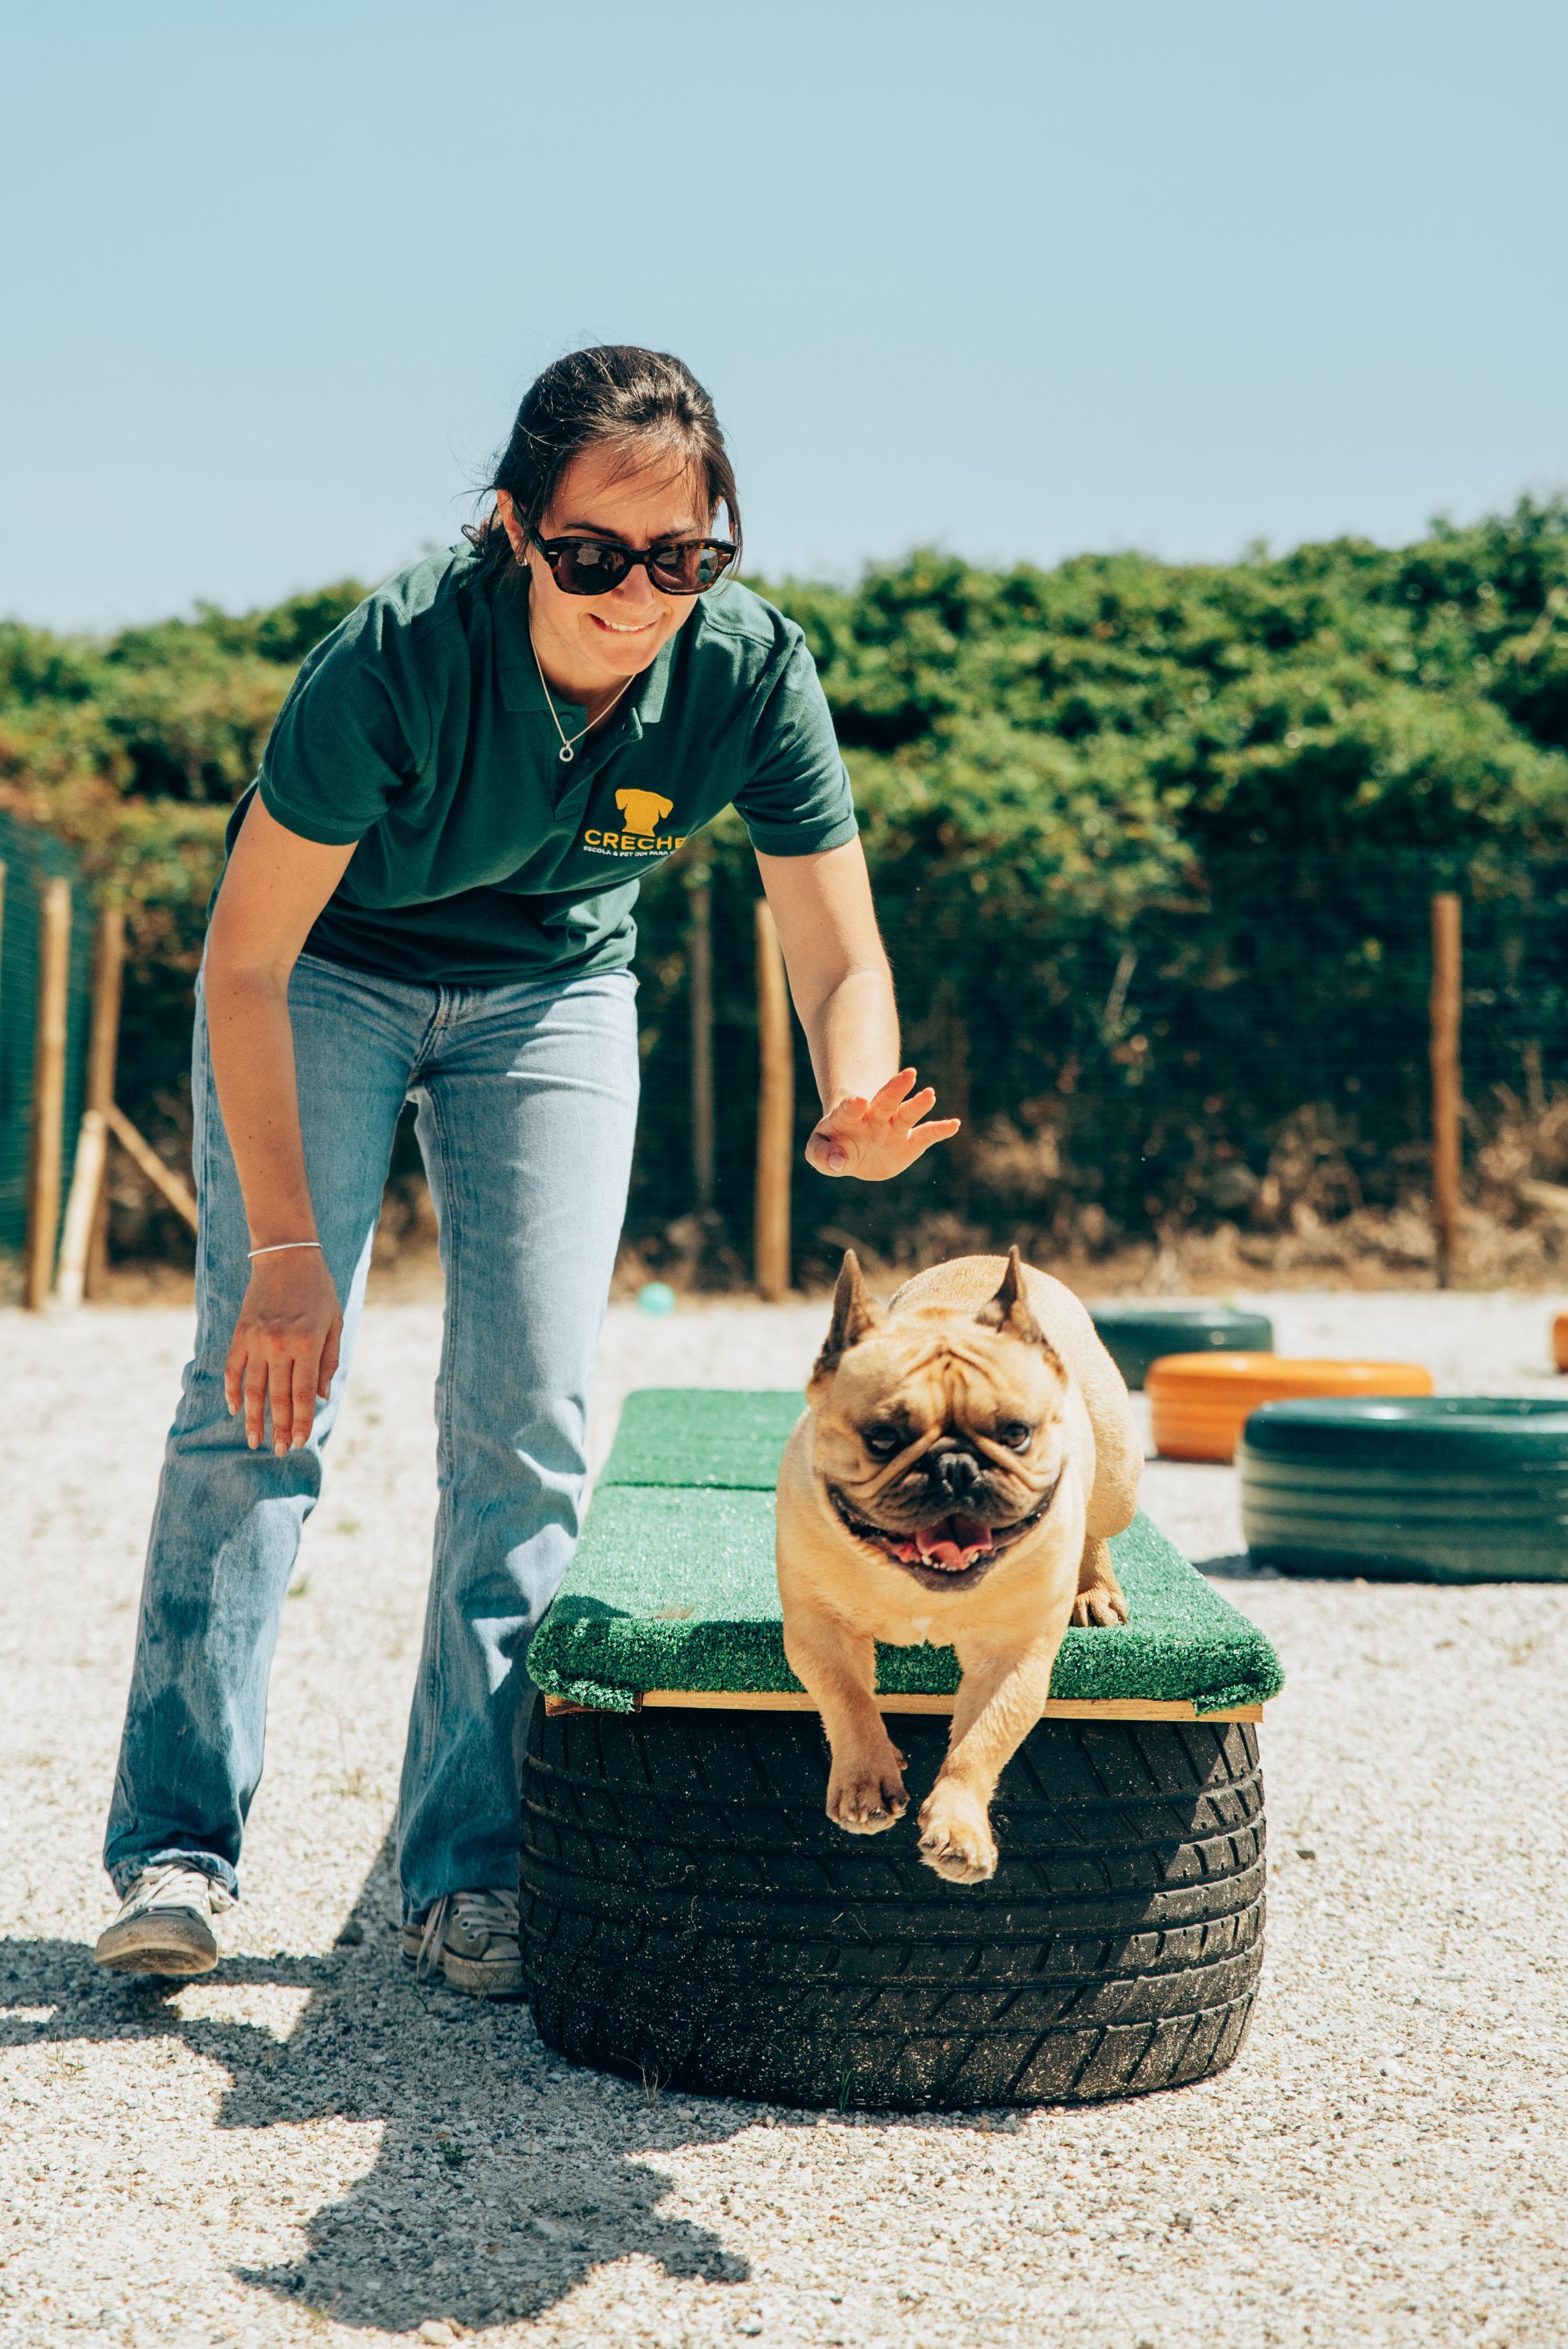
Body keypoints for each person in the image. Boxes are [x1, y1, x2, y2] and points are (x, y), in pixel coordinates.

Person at [94, 345, 958, 1996]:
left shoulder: (749, 674)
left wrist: (851, 1091)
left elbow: (835, 945)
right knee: (255, 1396)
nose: (637, 593)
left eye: (680, 557)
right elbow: (243, 962)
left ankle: (470, 1870)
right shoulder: (399, 657)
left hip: (555, 993)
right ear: (514, 530)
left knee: (529, 1421)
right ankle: (177, 1855)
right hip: (329, 975)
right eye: (591, 554)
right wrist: (286, 1252)